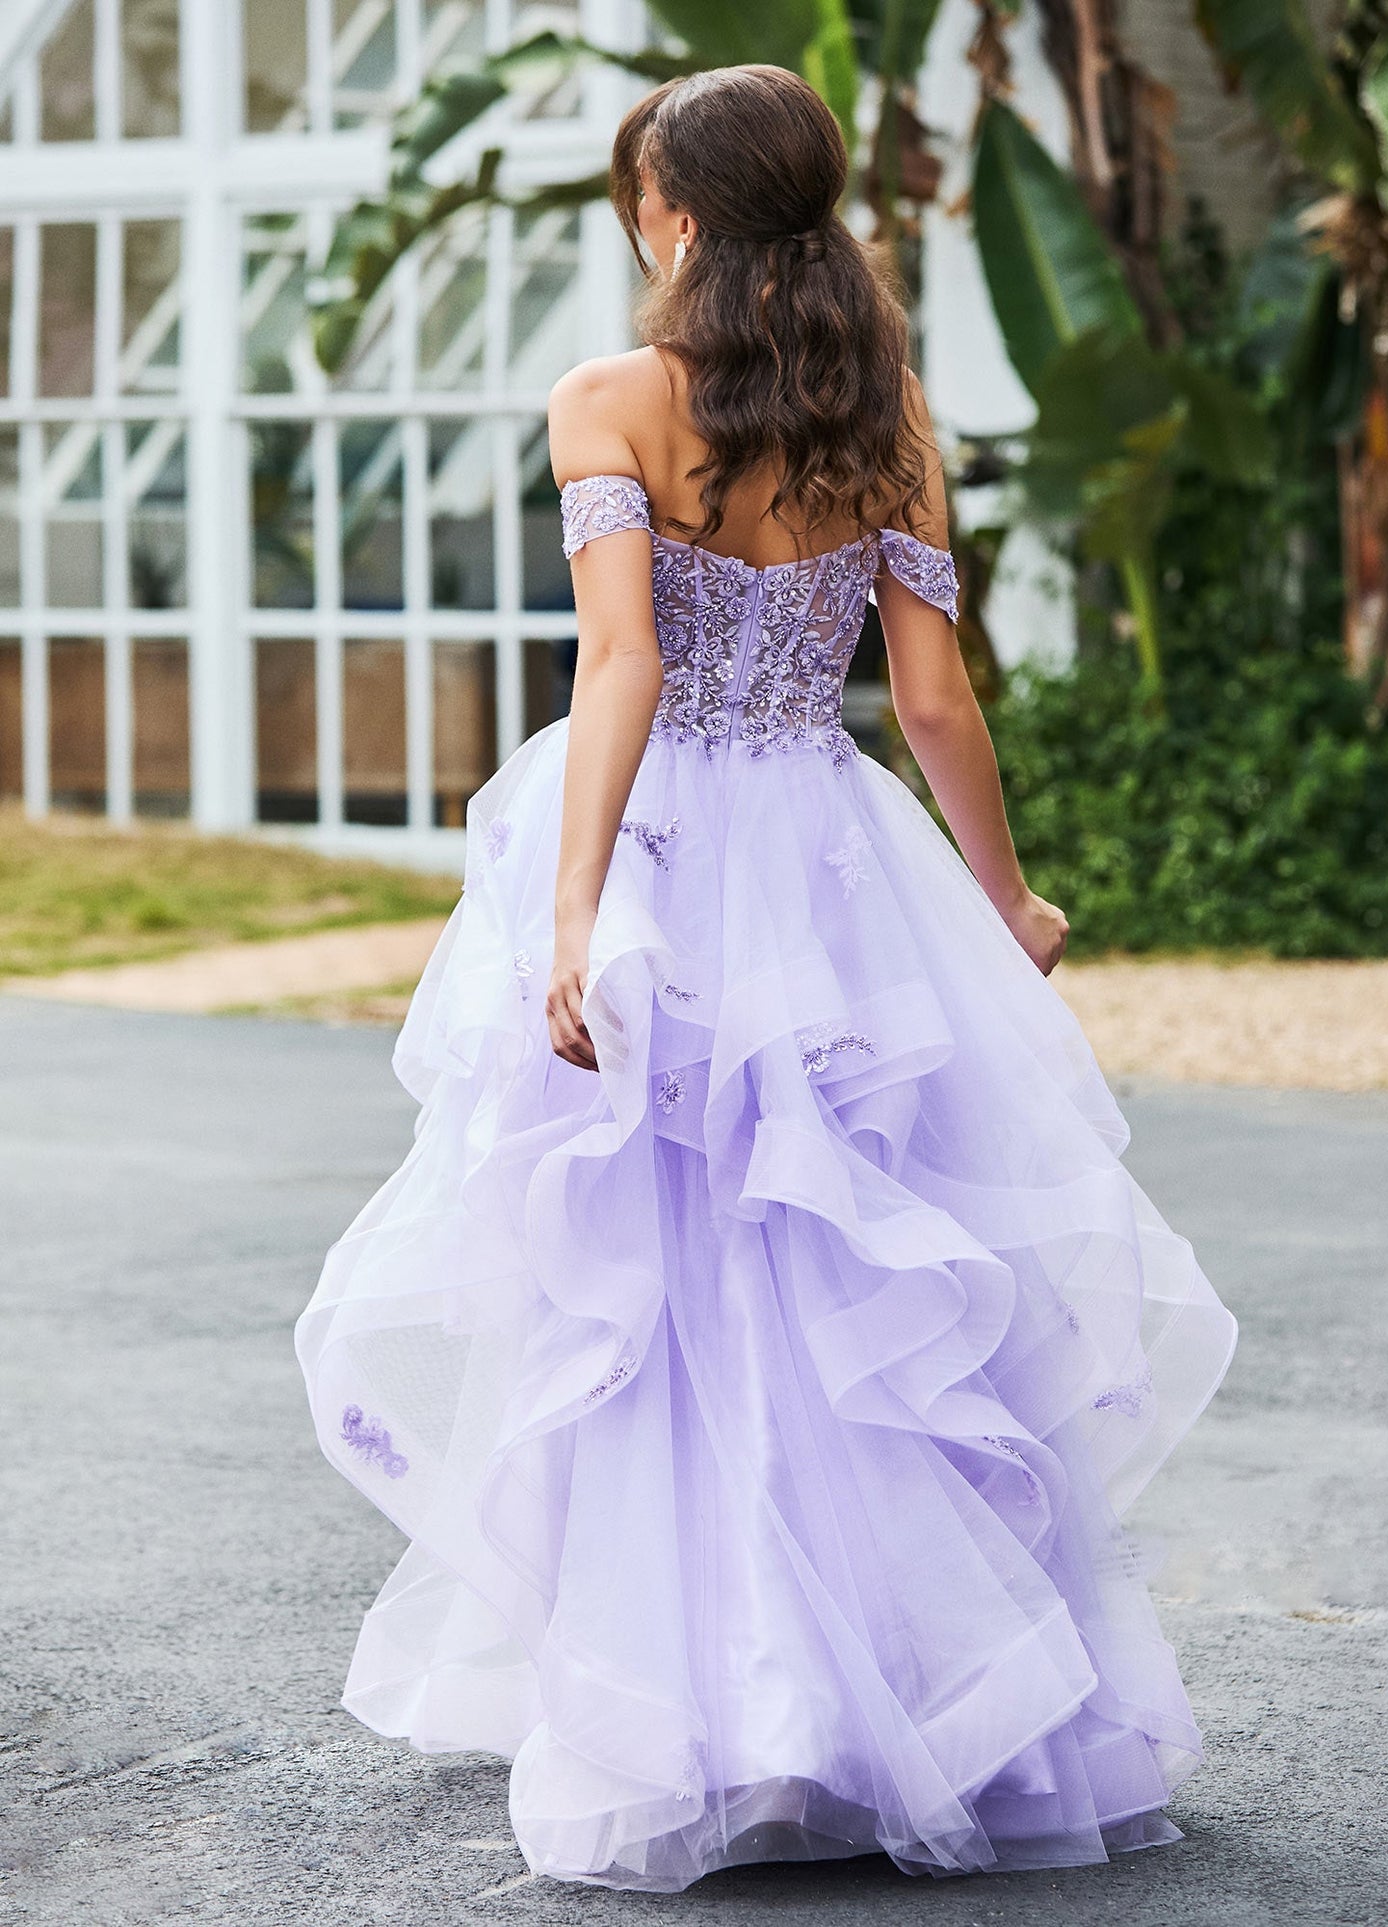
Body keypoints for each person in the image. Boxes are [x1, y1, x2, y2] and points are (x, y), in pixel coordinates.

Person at [295, 63, 1236, 1895]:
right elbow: (937, 701)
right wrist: (1007, 904)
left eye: (641, 193)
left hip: (663, 857)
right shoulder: (884, 419)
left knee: (664, 1292)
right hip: (828, 863)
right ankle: (897, 1708)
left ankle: (715, 1716)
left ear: (682, 215)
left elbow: (622, 667)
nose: (636, 222)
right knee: (847, 1285)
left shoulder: (608, 400)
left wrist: (574, 917)